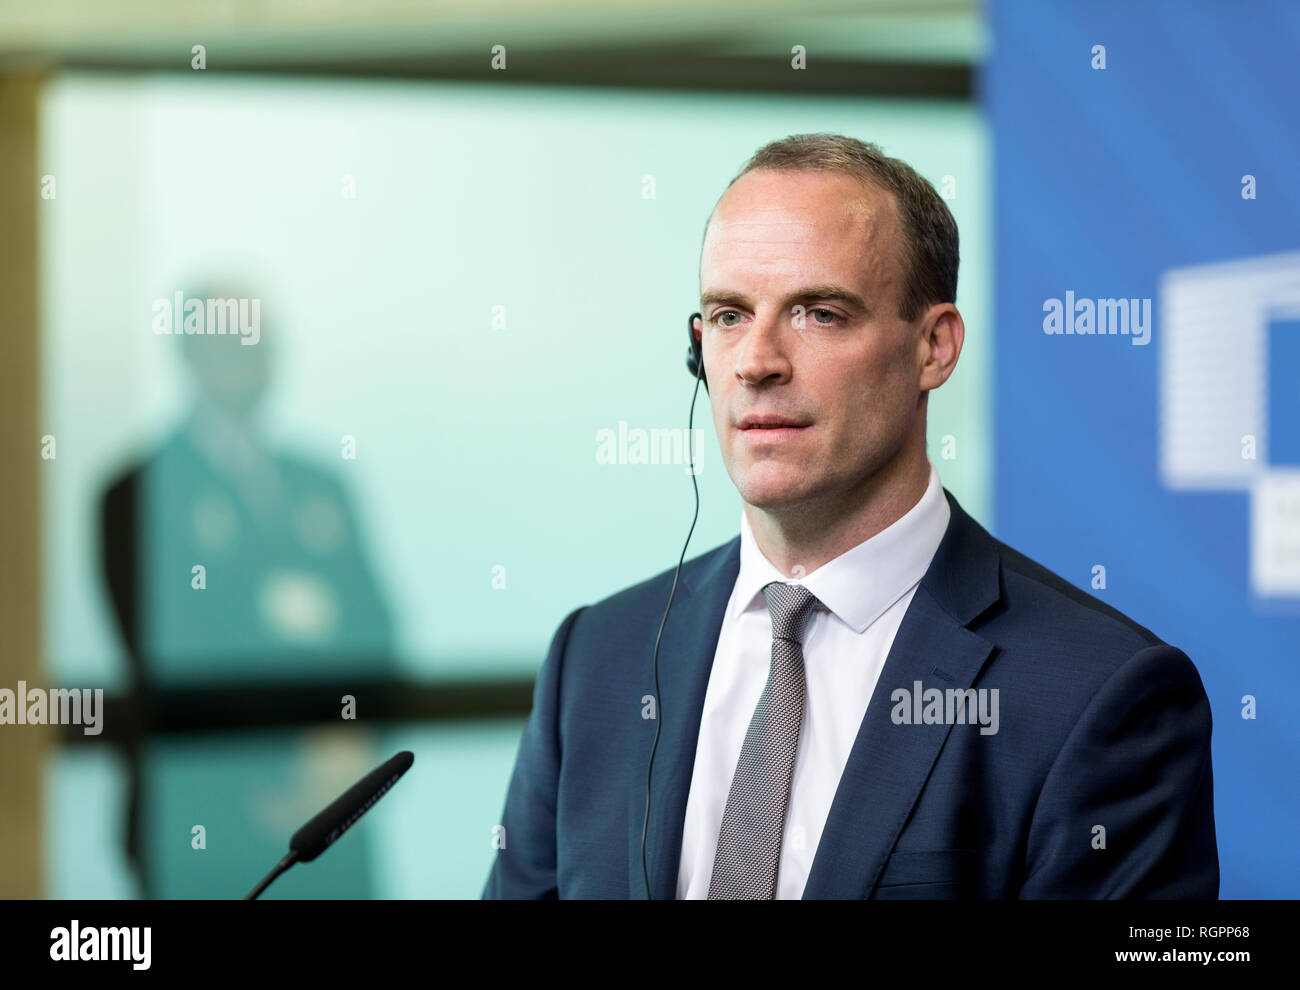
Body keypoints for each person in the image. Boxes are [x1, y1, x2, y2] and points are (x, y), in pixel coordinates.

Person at [482, 133, 1218, 899]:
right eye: (729, 315)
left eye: (819, 314)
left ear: (935, 348)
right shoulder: (597, 659)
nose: (756, 360)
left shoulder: (1096, 695)